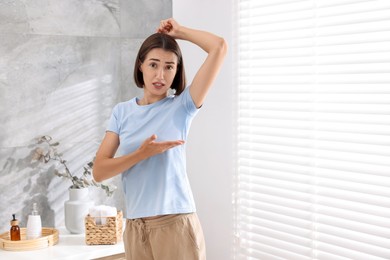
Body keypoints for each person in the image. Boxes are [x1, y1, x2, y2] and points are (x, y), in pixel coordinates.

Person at [93, 18, 227, 260]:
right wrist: (141, 154)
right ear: (141, 66)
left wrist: (181, 32)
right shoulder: (121, 112)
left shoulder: (183, 106)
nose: (160, 75)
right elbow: (99, 171)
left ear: (176, 72)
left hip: (175, 225)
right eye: (154, 65)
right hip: (135, 227)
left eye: (169, 67)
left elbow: (218, 47)